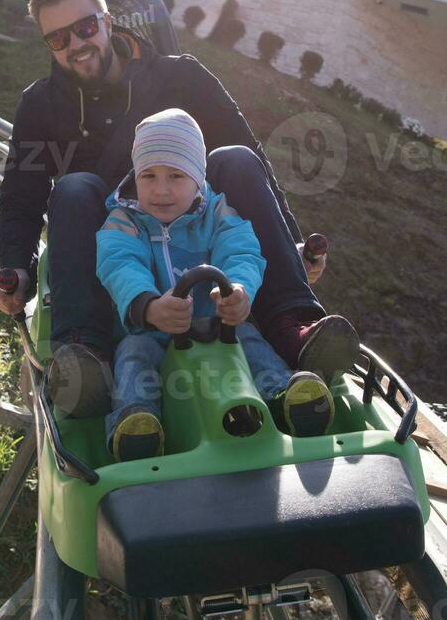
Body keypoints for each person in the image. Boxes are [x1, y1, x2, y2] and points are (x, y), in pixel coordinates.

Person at [0, 0, 359, 417]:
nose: (76, 44)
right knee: (73, 187)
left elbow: (252, 161)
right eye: (58, 38)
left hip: (196, 230)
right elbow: (21, 196)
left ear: (107, 22)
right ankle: (86, 356)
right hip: (116, 244)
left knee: (237, 157)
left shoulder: (182, 77)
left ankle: (292, 325)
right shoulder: (41, 104)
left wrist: (293, 243)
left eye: (85, 27)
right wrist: (15, 265)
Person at [96, 109, 335, 461]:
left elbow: (242, 251)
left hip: (218, 326)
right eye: (148, 176)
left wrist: (240, 289)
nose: (161, 190)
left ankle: (285, 396)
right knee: (133, 356)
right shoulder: (125, 220)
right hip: (155, 329)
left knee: (251, 342)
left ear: (197, 177)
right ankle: (135, 422)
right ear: (136, 176)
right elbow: (118, 263)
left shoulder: (218, 213)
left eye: (176, 175)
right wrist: (147, 306)